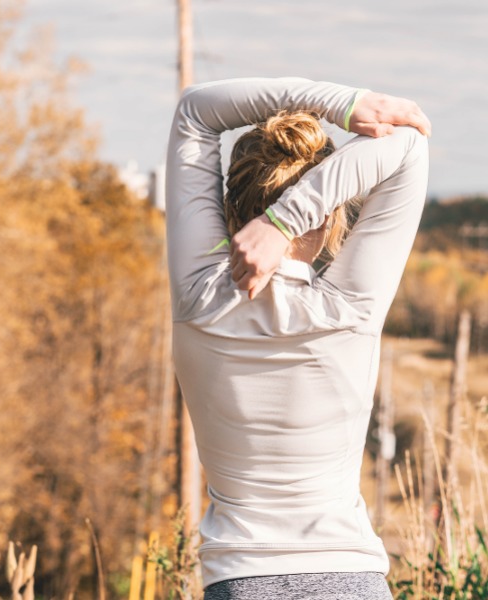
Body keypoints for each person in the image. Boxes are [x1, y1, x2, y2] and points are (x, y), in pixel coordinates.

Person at [165, 77, 430, 600]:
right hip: (351, 580)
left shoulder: (199, 299)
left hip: (241, 581)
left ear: (229, 200)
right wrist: (286, 223)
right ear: (331, 214)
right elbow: (410, 145)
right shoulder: (348, 311)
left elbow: (195, 112)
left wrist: (342, 106)